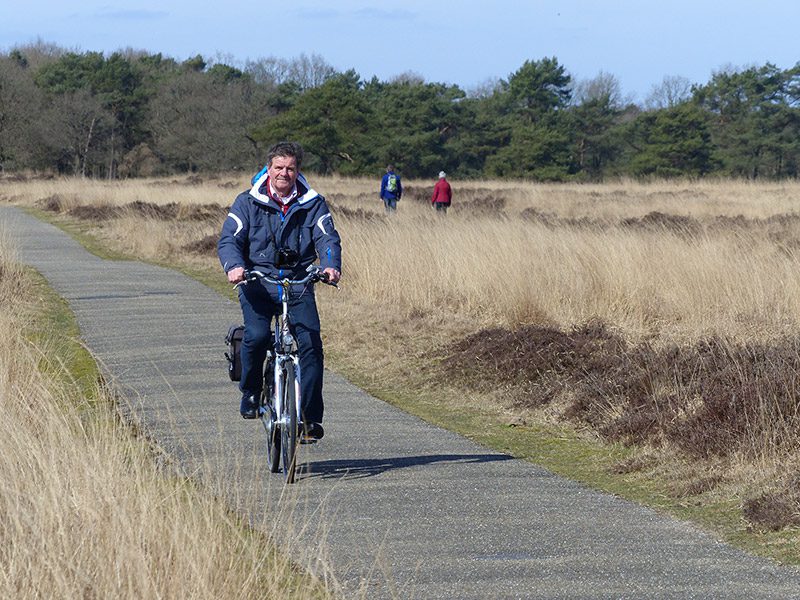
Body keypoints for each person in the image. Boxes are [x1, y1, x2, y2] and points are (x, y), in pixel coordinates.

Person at [217, 141, 341, 441]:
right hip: (257, 282)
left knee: (311, 345)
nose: (284, 173)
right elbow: (229, 240)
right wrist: (234, 266)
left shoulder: (313, 203)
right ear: (268, 169)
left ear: (297, 171)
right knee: (257, 336)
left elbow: (327, 237)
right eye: (278, 168)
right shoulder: (247, 201)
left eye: (290, 168)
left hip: (298, 283)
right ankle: (250, 391)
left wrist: (330, 265)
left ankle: (310, 419)